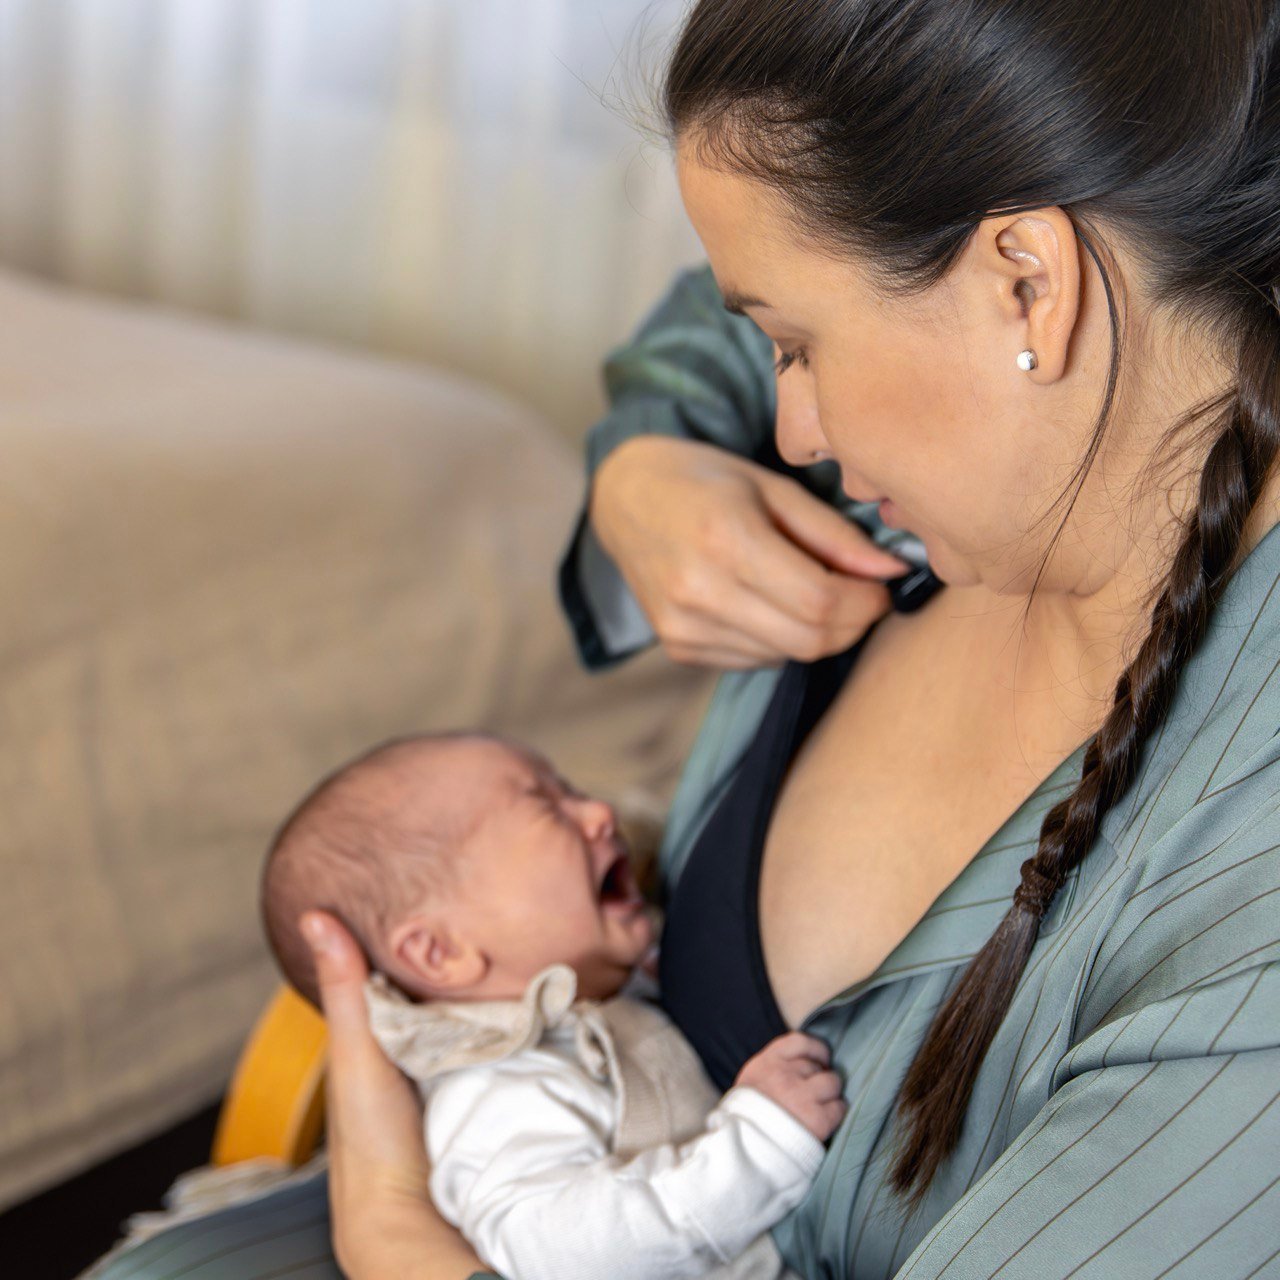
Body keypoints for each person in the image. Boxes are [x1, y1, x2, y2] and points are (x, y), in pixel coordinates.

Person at [84, 0, 1280, 1276]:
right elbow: (711, 310)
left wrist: (399, 1242)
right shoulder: (991, 453)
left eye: (794, 345)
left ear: (1026, 283)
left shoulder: (1238, 892)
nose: (791, 425)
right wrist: (643, 465)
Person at [258, 731, 840, 1280]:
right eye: (547, 807)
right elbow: (557, 1252)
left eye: (574, 791)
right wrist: (758, 1149)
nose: (600, 813)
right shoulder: (499, 1087)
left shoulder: (593, 993)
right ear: (440, 952)